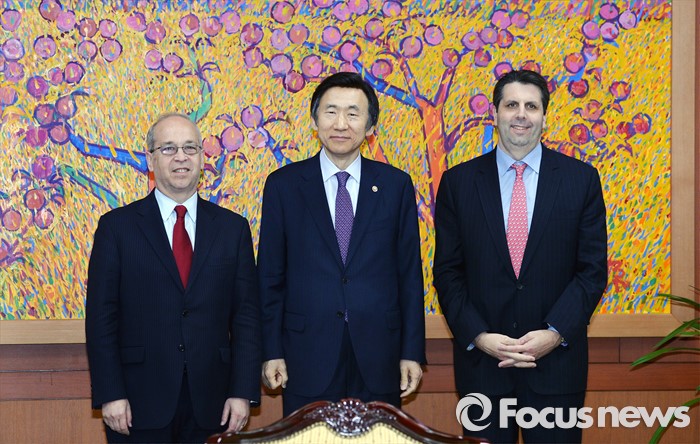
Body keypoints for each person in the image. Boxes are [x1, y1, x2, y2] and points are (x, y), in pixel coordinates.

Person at [433, 69, 608, 443]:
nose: (521, 115)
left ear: (545, 116)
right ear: (495, 113)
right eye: (511, 104)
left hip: (557, 367)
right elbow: (448, 272)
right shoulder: (459, 183)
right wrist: (479, 335)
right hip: (484, 367)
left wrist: (554, 333)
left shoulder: (581, 180)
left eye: (531, 106)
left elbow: (592, 271)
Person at [85, 113, 261, 443]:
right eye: (168, 148)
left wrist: (242, 391)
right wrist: (110, 393)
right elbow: (101, 318)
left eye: (190, 148)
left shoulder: (232, 229)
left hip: (214, 401)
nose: (181, 157)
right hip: (136, 401)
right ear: (150, 159)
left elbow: (246, 317)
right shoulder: (116, 228)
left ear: (202, 158)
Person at [257, 72, 426, 416]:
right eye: (331, 112)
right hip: (306, 353)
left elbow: (409, 275)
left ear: (370, 126)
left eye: (353, 113)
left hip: (380, 354)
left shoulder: (395, 186)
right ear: (315, 120)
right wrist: (271, 350)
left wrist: (411, 352)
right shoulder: (284, 186)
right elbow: (270, 277)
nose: (341, 124)